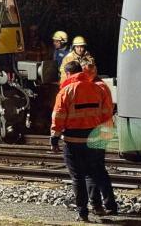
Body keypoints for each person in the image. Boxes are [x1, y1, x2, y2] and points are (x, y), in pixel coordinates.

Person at [51, 61, 118, 222]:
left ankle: (83, 213)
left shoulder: (65, 91)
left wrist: (54, 137)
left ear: (68, 74)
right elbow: (106, 113)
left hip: (73, 141)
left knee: (77, 178)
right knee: (93, 174)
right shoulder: (97, 88)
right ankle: (98, 206)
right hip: (95, 139)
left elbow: (58, 117)